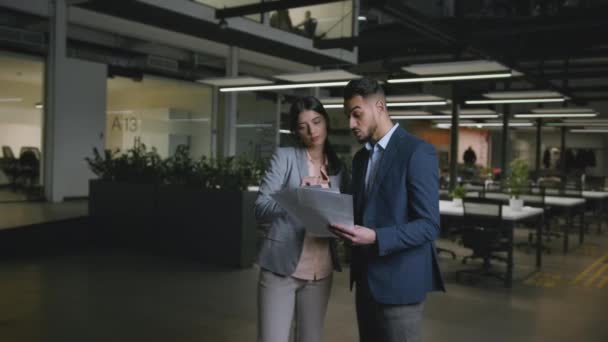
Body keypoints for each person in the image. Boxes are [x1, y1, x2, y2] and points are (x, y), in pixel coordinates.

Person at [330, 78, 444, 342]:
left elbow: (429, 225)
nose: (350, 124)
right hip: (366, 282)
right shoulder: (360, 158)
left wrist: (376, 237)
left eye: (357, 114)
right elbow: (360, 211)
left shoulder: (417, 151)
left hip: (401, 284)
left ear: (379, 106)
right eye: (348, 116)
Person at [254, 96, 350, 342]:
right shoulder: (284, 157)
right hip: (281, 268)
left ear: (326, 122)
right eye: (303, 126)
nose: (312, 131)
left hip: (320, 271)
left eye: (316, 122)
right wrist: (297, 199)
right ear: (296, 131)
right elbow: (261, 208)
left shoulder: (338, 169)